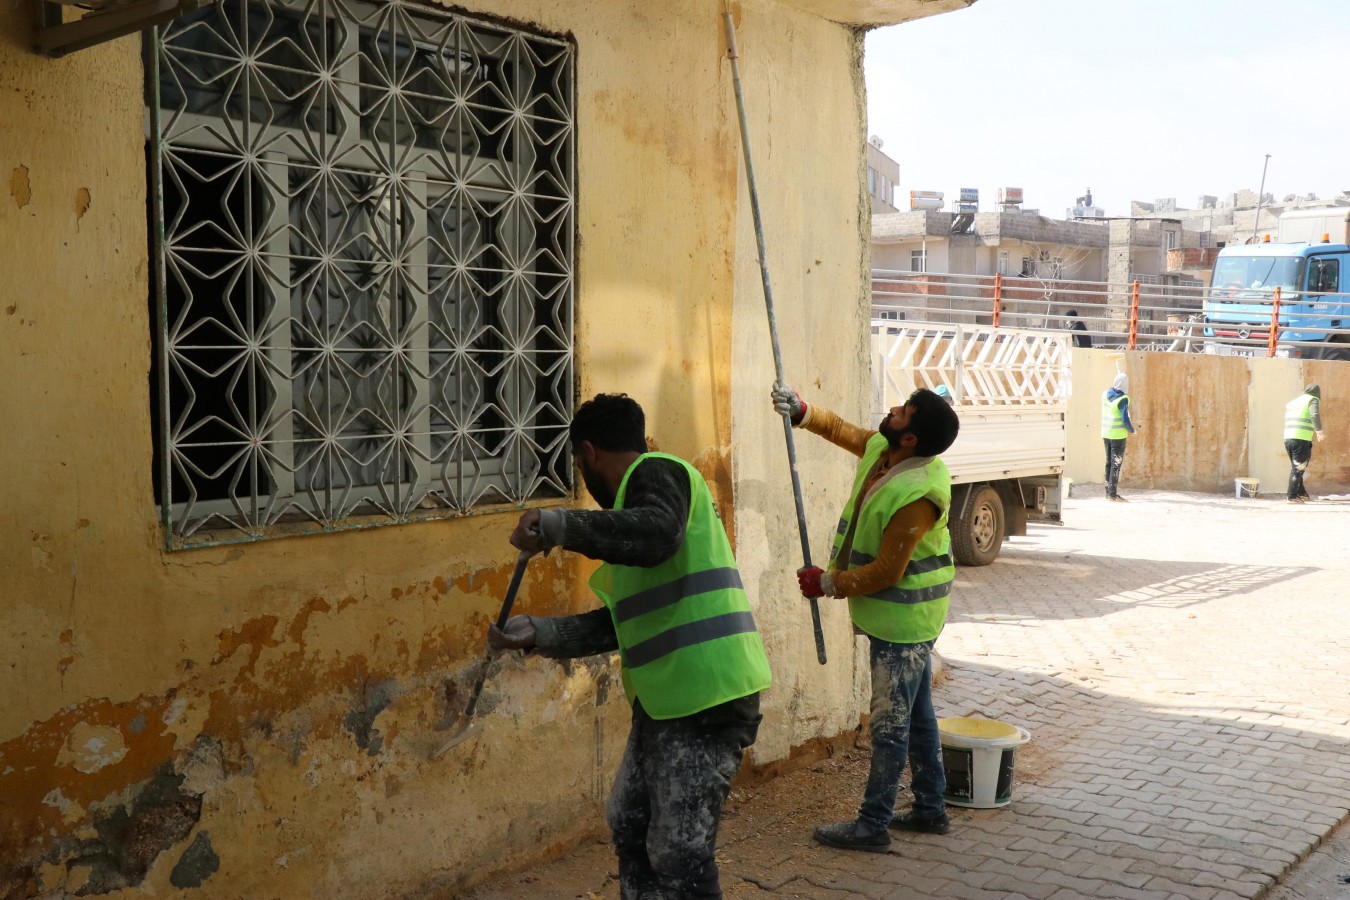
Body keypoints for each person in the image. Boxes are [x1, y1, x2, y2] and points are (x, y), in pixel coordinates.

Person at [491, 393, 772, 899]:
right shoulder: (631, 521)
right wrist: (540, 632)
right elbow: (621, 624)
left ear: (590, 453)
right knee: (629, 820)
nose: (583, 478)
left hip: (709, 694)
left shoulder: (657, 472)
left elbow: (658, 534)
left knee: (679, 850)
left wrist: (558, 526)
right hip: (670, 699)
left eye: (578, 465)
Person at [770, 382, 960, 853]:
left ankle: (872, 825)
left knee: (890, 727)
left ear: (911, 439)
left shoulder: (918, 493)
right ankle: (930, 809)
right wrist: (803, 411)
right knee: (917, 715)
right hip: (900, 619)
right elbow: (845, 432)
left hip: (907, 622)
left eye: (902, 412)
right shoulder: (886, 450)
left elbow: (887, 571)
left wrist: (828, 583)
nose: (892, 410)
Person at [1283, 384, 1325, 503]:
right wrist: (1319, 431)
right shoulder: (1312, 399)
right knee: (1298, 467)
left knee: (1297, 466)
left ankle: (1301, 493)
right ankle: (1291, 496)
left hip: (1288, 438)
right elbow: (1314, 414)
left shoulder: (1294, 402)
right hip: (1301, 438)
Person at [1102, 372, 1136, 502]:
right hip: (1118, 435)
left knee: (1108, 462)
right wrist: (1132, 430)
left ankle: (1107, 492)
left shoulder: (1104, 395)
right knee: (1116, 464)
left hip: (1105, 433)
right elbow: (1125, 418)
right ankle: (1112, 494)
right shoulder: (1123, 399)